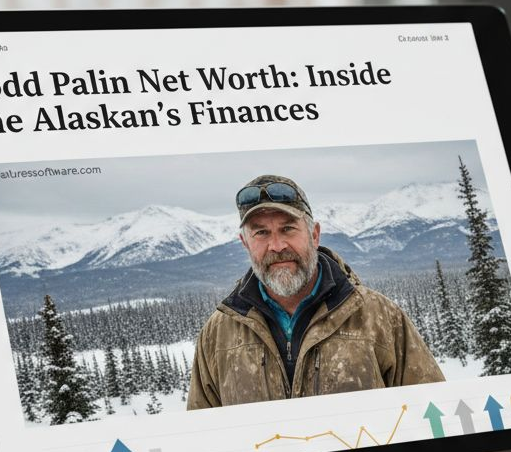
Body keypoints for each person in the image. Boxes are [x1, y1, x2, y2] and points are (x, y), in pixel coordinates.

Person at [187, 174, 445, 409]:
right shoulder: (217, 334)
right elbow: (202, 433)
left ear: (314, 234)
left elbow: (434, 411)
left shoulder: (379, 317)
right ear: (245, 243)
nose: (276, 245)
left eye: (288, 228)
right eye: (261, 233)